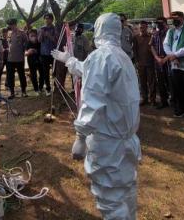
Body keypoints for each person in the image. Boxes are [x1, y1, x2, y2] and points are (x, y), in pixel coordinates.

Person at [51, 13, 141, 220]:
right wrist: (69, 60)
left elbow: (93, 99)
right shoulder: (121, 56)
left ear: (98, 30)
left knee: (110, 199)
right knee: (126, 190)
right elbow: (91, 72)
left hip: (108, 142)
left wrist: (80, 137)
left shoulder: (101, 56)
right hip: (126, 140)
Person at [133, 20, 156, 106]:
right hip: (140, 64)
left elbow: (154, 48)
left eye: (143, 27)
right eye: (140, 27)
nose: (141, 29)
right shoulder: (136, 38)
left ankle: (152, 99)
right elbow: (134, 50)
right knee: (142, 82)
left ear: (146, 27)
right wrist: (137, 61)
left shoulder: (151, 36)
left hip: (150, 63)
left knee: (152, 82)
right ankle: (144, 98)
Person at [5, 19, 28, 99]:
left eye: (11, 24)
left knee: (21, 75)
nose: (10, 26)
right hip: (10, 59)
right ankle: (12, 92)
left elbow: (27, 42)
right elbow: (8, 43)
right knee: (10, 76)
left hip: (19, 58)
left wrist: (23, 48)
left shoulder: (22, 33)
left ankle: (24, 91)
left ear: (15, 24)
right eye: (9, 25)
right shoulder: (9, 33)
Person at [150, 16, 169, 108]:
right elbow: (152, 46)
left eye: (160, 23)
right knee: (161, 82)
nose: (159, 25)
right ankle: (163, 101)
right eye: (157, 23)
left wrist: (165, 58)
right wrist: (157, 57)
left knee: (171, 82)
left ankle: (175, 100)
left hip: (169, 61)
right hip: (158, 61)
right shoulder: (155, 34)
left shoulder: (170, 32)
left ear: (165, 22)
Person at [38, 13, 57, 96]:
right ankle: (48, 89)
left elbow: (56, 40)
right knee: (45, 72)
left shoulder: (55, 28)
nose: (46, 20)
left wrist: (49, 35)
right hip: (44, 54)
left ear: (52, 19)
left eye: (48, 18)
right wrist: (42, 33)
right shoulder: (41, 29)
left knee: (55, 72)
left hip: (53, 54)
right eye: (45, 18)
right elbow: (39, 40)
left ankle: (56, 87)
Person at [25, 29, 42, 93]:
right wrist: (28, 52)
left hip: (39, 60)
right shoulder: (28, 42)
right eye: (31, 35)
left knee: (42, 74)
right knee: (33, 75)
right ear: (29, 36)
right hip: (31, 60)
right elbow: (25, 52)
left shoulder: (39, 42)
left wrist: (35, 51)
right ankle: (36, 89)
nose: (33, 37)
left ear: (37, 35)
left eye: (34, 35)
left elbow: (41, 50)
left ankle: (40, 87)